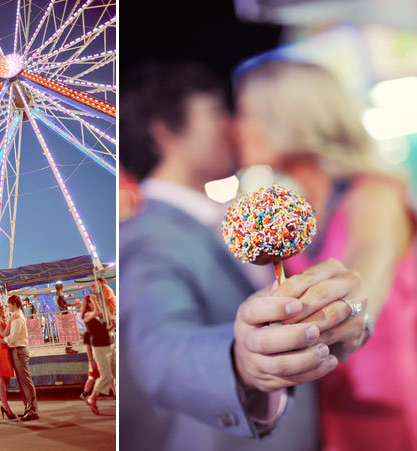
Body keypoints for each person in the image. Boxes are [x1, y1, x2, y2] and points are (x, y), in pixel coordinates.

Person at [119, 62, 368, 450]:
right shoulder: (146, 238)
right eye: (217, 112)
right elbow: (157, 351)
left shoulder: (230, 214)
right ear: (166, 132)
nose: (233, 125)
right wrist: (241, 361)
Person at [235, 59, 417, 451]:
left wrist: (349, 310)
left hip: (381, 404)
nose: (237, 127)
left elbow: (370, 265)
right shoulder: (299, 210)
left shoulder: (373, 194)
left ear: (292, 117)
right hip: (324, 396)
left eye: (248, 113)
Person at [0, 295, 38, 421]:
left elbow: (13, 338)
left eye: (8, 304)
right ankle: (28, 408)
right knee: (23, 381)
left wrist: (1, 340)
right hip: (18, 350)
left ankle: (32, 410)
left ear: (14, 304)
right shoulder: (16, 316)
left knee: (25, 380)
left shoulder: (17, 318)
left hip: (19, 350)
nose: (7, 307)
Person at [81, 294, 115, 415]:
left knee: (115, 373)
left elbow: (102, 330)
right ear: (87, 304)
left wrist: (112, 326)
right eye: (91, 302)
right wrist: (95, 300)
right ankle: (92, 397)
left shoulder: (99, 316)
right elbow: (97, 311)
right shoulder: (87, 316)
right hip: (99, 348)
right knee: (105, 376)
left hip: (107, 345)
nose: (95, 303)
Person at [54, 283, 80, 354]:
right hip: (64, 315)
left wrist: (68, 295)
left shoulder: (55, 296)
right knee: (68, 332)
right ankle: (69, 349)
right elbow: (65, 304)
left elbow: (62, 297)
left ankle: (68, 348)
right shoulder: (59, 297)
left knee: (65, 333)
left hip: (60, 315)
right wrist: (75, 303)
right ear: (61, 288)